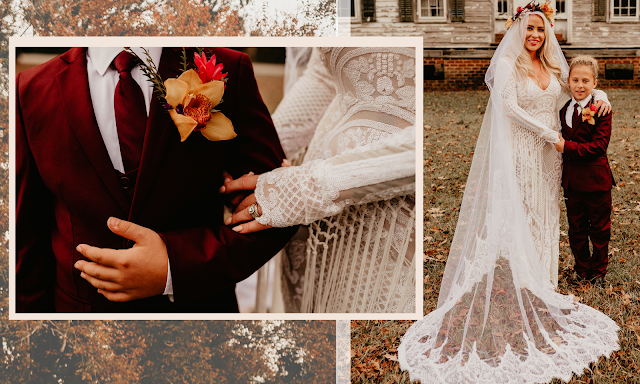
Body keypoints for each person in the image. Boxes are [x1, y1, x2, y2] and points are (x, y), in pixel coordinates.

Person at [398, 3, 619, 383]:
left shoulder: (552, 65)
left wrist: (602, 97)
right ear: (517, 28)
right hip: (525, 147)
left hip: (553, 157)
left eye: (541, 29)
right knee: (527, 207)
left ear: (548, 32)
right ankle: (528, 276)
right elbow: (510, 107)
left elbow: (577, 90)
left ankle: (545, 275)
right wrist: (549, 134)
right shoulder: (507, 65)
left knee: (549, 208)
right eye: (530, 28)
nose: (535, 35)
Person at [16, 47, 297, 313]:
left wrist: (175, 267)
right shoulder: (31, 89)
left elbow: (279, 208)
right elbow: (27, 238)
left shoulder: (228, 68)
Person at [221, 47, 417, 313]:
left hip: (386, 208)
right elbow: (323, 78)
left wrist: (307, 188)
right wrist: (256, 160)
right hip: (317, 218)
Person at [555, 55, 615, 287]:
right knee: (576, 229)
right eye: (575, 80)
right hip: (571, 182)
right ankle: (582, 269)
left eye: (585, 81)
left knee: (599, 229)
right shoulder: (563, 108)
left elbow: (599, 146)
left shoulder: (600, 109)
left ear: (595, 83)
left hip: (596, 181)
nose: (580, 85)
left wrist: (566, 147)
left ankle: (598, 271)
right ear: (568, 81)